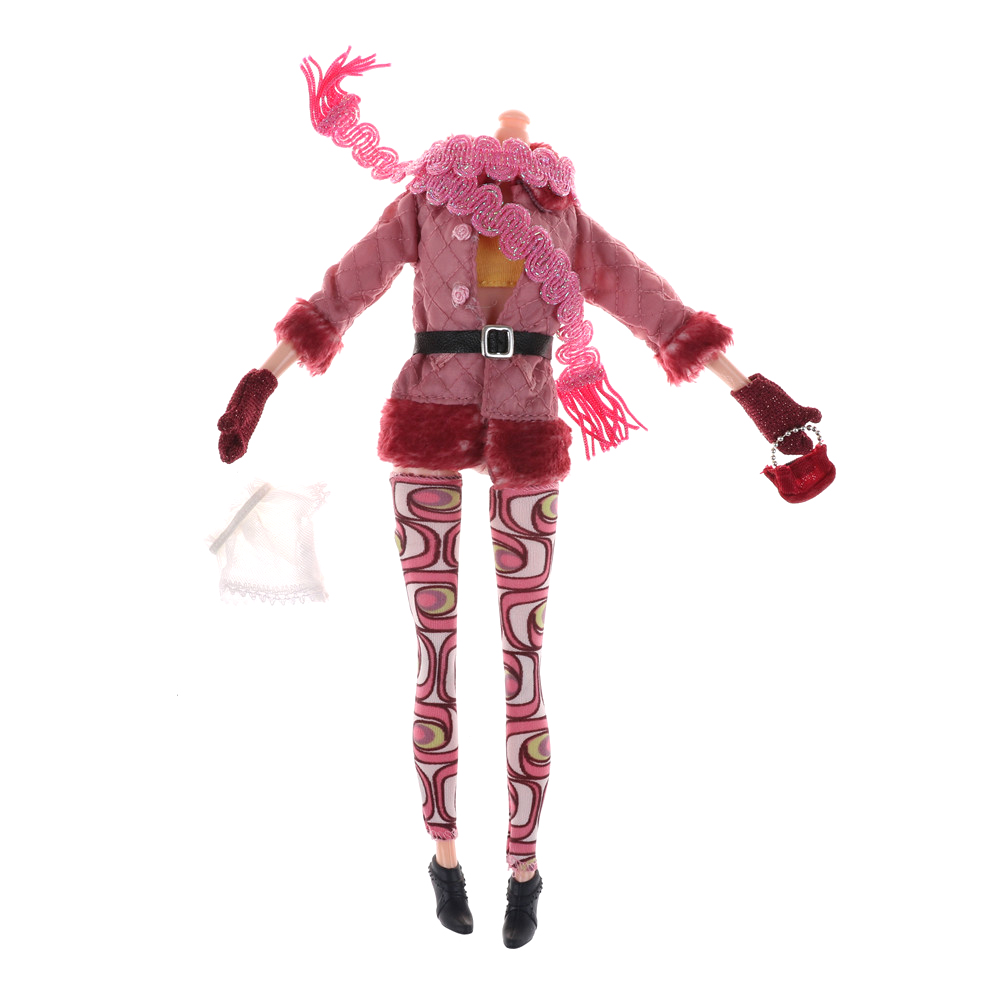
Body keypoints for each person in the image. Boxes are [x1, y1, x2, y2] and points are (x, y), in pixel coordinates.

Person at [216, 50, 826, 948]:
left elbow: (657, 310)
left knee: (523, 659)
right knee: (434, 653)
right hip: (427, 423)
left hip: (529, 428)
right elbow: (343, 291)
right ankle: (444, 853)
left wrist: (760, 400)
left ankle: (525, 867)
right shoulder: (430, 198)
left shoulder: (561, 216)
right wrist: (260, 380)